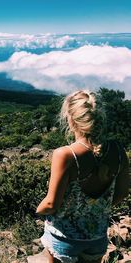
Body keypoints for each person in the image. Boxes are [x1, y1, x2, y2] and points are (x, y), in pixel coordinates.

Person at [36, 90, 130, 263]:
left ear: (70, 119)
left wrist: (37, 211)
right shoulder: (118, 151)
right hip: (96, 238)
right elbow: (123, 192)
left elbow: (51, 203)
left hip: (63, 239)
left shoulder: (66, 155)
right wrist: (97, 210)